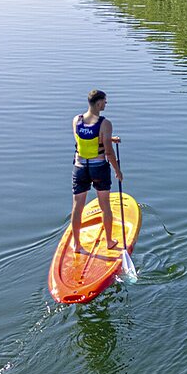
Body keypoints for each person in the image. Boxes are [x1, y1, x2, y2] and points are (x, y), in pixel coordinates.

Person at [70, 89, 123, 254]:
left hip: (79, 167)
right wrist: (117, 170)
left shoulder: (76, 120)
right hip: (98, 167)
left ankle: (77, 244)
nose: (106, 104)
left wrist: (108, 138)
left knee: (78, 206)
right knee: (105, 205)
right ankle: (109, 242)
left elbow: (84, 141)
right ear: (99, 103)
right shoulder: (105, 123)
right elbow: (108, 152)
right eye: (105, 102)